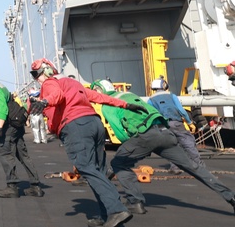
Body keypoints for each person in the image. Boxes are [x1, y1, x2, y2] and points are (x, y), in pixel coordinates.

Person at [28, 58, 144, 227]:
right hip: (94, 124)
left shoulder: (51, 84)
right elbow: (99, 97)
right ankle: (108, 215)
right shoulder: (73, 83)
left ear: (47, 71)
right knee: (97, 170)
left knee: (85, 166)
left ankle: (116, 210)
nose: (37, 79)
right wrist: (126, 104)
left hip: (76, 126)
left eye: (37, 74)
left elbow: (56, 96)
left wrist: (44, 102)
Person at [100, 88, 235, 217]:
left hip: (145, 137)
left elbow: (120, 134)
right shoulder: (132, 96)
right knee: (193, 167)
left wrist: (138, 147)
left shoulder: (107, 105)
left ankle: (135, 201)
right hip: (165, 133)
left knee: (118, 163)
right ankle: (230, 196)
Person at [0, 69, 43, 198]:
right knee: (23, 155)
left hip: (7, 127)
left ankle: (12, 187)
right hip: (15, 126)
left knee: (6, 155)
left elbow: (3, 108)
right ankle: (35, 186)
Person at [147, 78, 201, 166]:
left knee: (172, 146)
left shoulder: (151, 100)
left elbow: (151, 115)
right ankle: (198, 165)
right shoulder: (171, 95)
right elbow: (181, 111)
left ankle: (175, 168)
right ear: (163, 85)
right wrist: (189, 123)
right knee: (188, 142)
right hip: (176, 123)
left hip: (162, 126)